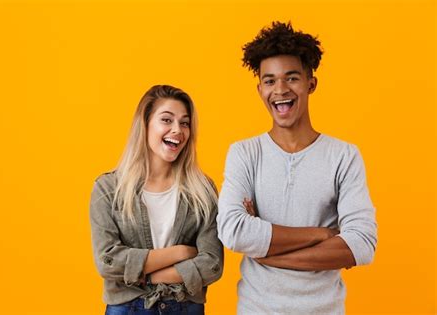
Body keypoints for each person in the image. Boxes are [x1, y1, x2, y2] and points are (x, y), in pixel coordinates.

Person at [217, 21, 377, 314]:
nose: (280, 90)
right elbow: (234, 231)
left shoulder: (344, 156)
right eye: (269, 81)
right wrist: (320, 234)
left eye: (291, 78)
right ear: (259, 89)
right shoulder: (244, 154)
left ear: (310, 83)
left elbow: (362, 245)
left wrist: (265, 253)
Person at [90, 85, 223, 315]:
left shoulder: (202, 190)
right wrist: (181, 252)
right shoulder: (108, 189)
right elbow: (108, 260)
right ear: (145, 124)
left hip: (185, 307)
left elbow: (211, 264)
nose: (177, 130)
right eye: (166, 120)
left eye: (184, 122)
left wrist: (146, 275)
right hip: (127, 309)